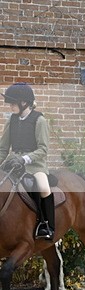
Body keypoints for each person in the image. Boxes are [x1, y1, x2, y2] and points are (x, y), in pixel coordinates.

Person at [0, 83, 54, 240]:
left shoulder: (40, 120)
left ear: (24, 102)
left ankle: (47, 225)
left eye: (12, 103)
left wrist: (24, 159)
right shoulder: (12, 120)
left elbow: (43, 149)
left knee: (43, 188)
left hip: (34, 164)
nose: (10, 106)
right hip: (13, 162)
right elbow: (3, 149)